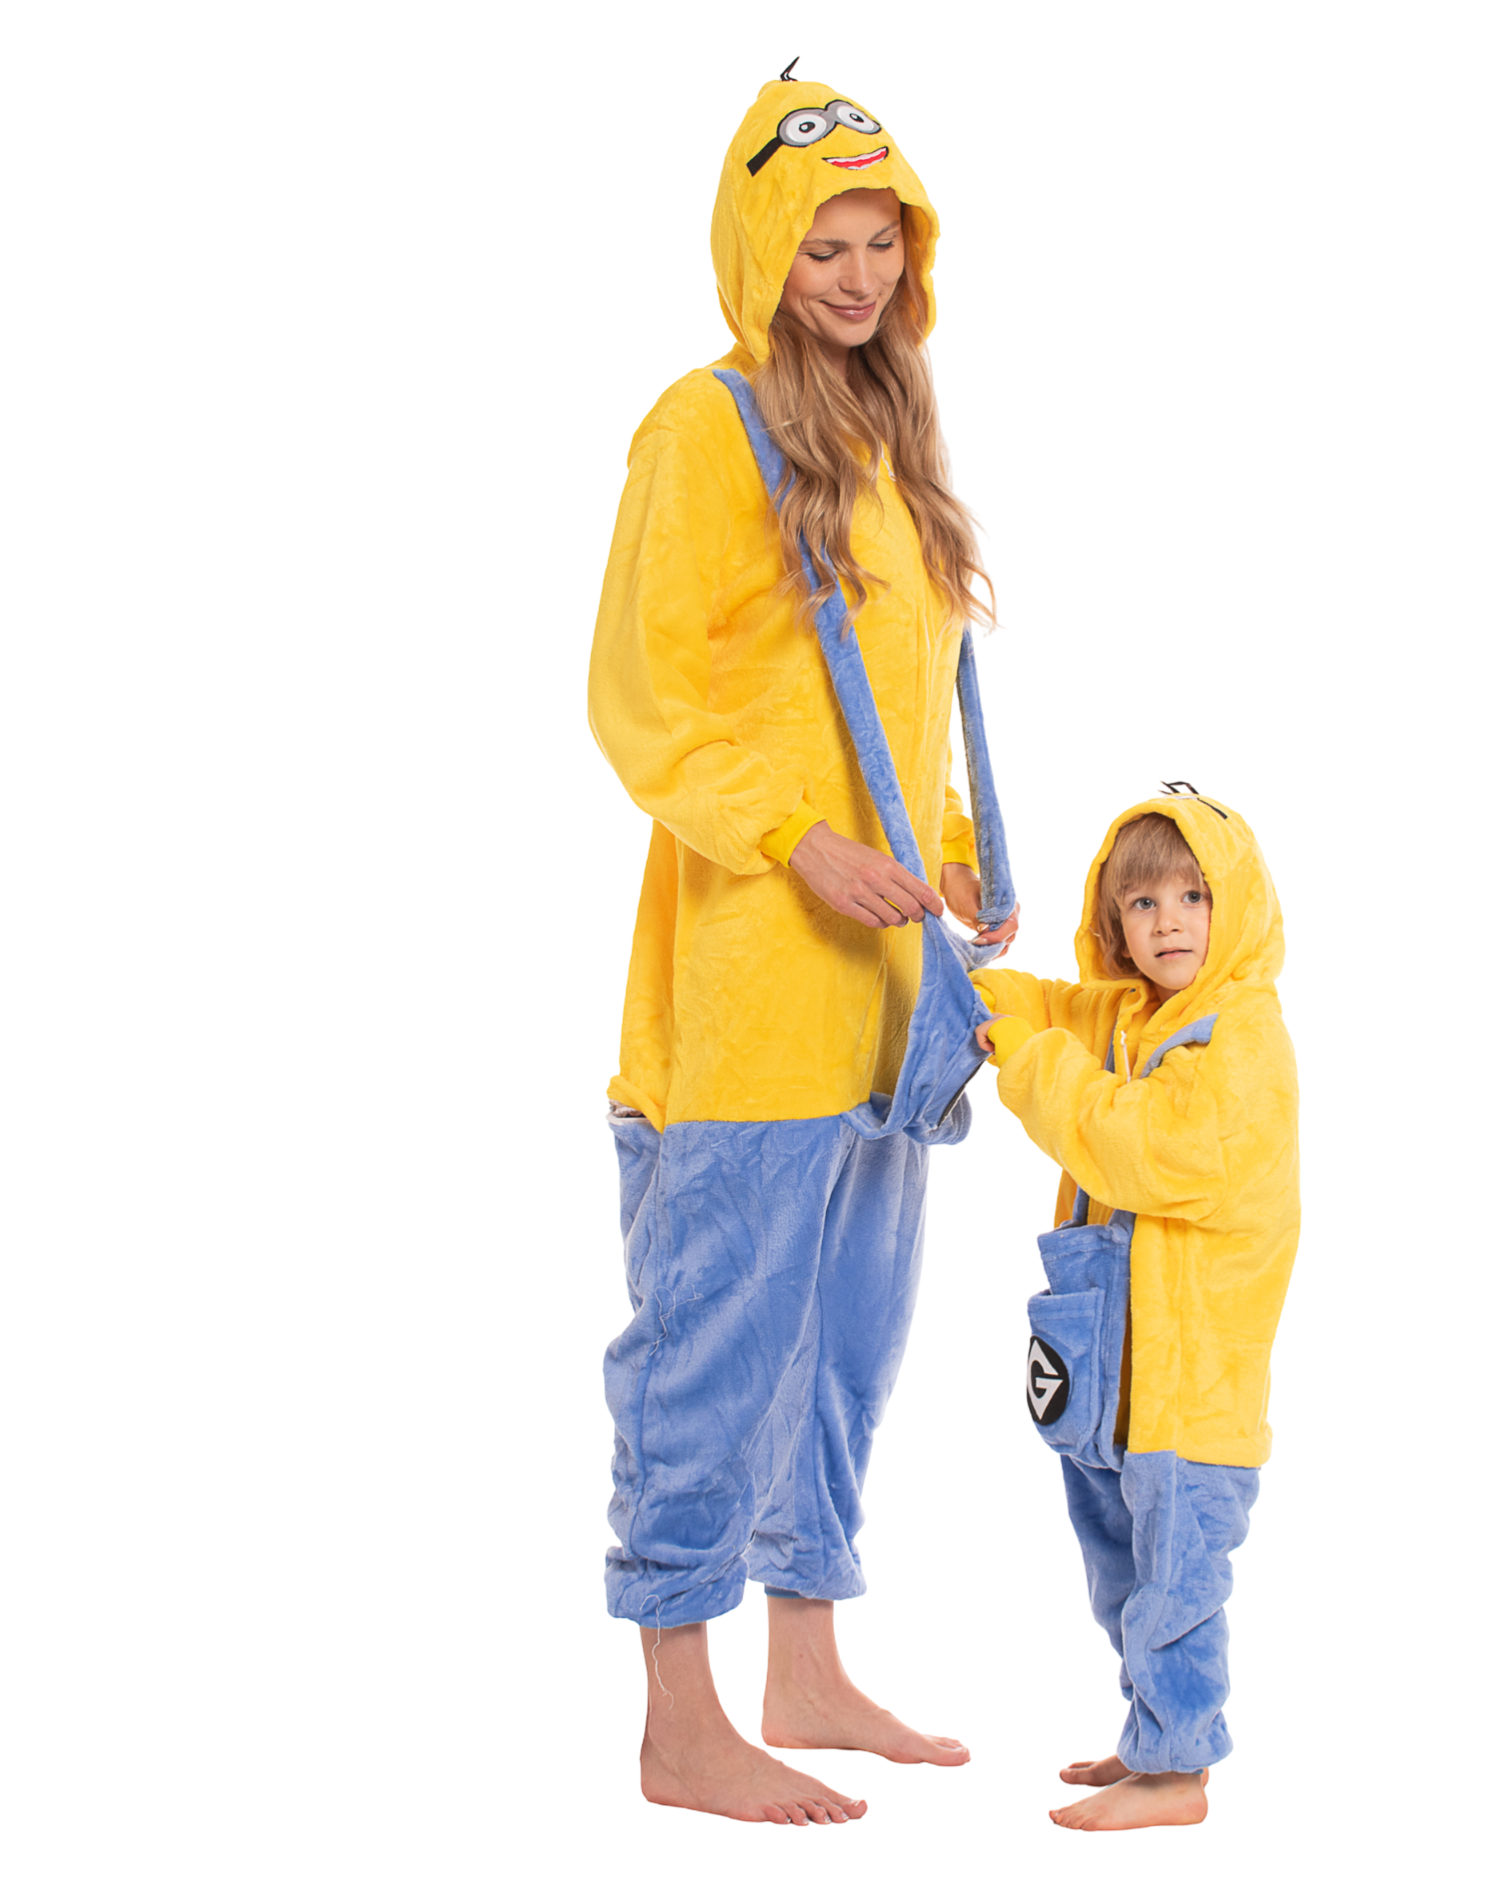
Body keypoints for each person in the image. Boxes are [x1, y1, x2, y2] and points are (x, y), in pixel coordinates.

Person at [587, 72, 1016, 1827]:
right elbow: (643, 700)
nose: (853, 277)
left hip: (887, 992)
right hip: (754, 985)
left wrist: (954, 852)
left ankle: (805, 1663)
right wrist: (792, 841)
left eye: (878, 243)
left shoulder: (889, 427)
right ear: (759, 253)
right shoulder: (702, 430)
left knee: (843, 1340)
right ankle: (679, 1719)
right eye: (821, 247)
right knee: (715, 1338)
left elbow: (898, 701)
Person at [971, 792, 1300, 1831]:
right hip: (1112, 1370)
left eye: (1192, 896)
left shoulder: (1240, 1037)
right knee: (1117, 1567)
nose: (1167, 922)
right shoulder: (1128, 1015)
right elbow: (1041, 1005)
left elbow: (1149, 1148)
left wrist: (1029, 1064)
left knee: (1176, 1578)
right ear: (1111, 919)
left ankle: (1178, 1770)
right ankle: (1151, 1728)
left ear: (1232, 904)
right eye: (1141, 901)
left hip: (1189, 1381)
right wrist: (966, 985)